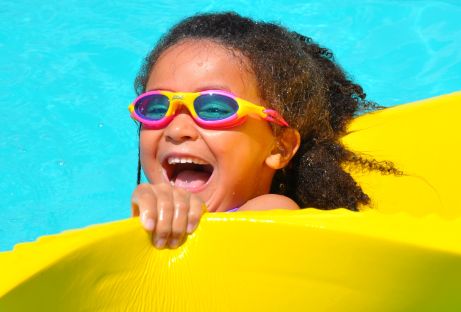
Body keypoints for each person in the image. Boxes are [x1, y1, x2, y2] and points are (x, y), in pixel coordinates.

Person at [129, 12, 395, 249]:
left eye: (214, 108)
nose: (177, 129)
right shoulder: (148, 209)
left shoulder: (274, 213)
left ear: (280, 147)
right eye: (155, 107)